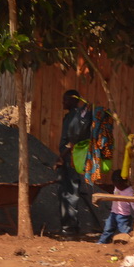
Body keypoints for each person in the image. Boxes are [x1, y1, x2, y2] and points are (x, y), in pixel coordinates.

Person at [54, 89, 86, 236]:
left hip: (71, 159)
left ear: (74, 100)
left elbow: (73, 141)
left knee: (71, 192)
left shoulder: (76, 117)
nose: (62, 102)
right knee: (64, 191)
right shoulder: (70, 117)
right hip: (67, 158)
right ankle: (69, 225)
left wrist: (62, 156)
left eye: (65, 100)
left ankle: (70, 228)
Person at [97, 170, 134, 244]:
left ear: (124, 182)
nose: (117, 186)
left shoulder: (130, 191)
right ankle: (102, 242)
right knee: (107, 229)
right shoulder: (116, 188)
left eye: (118, 184)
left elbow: (133, 204)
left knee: (123, 231)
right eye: (115, 184)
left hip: (124, 216)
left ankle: (126, 243)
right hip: (113, 213)